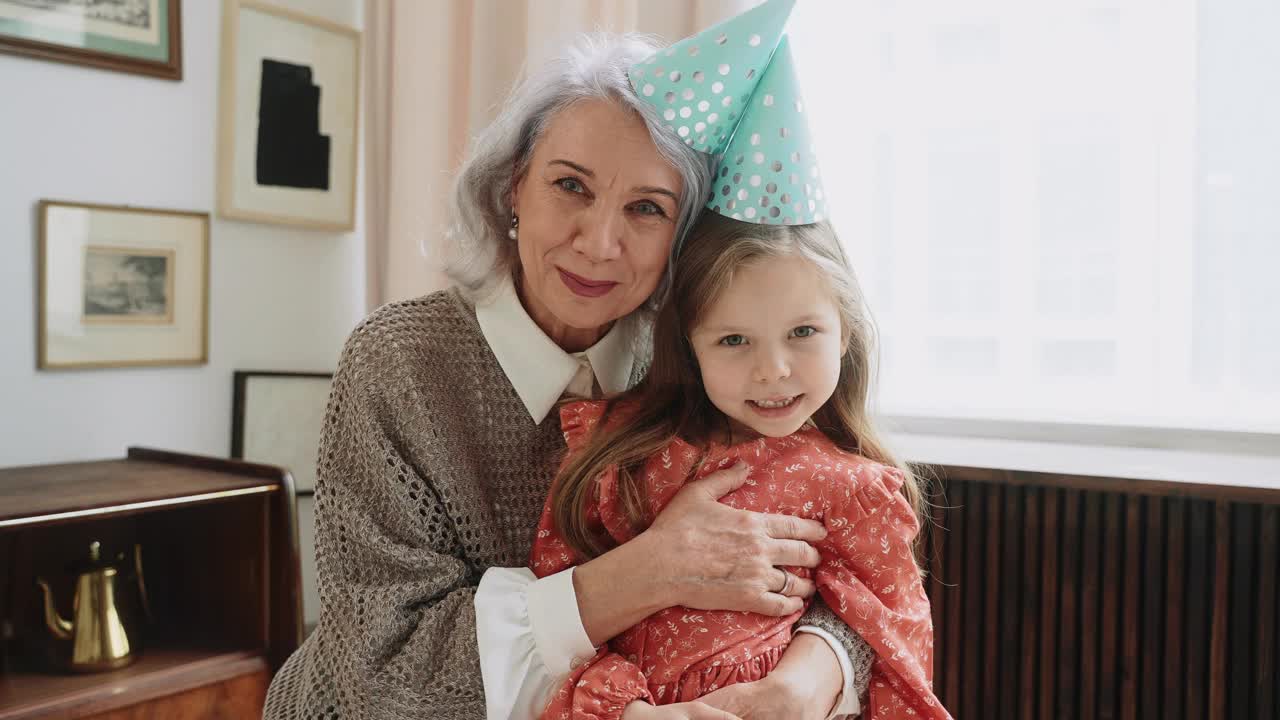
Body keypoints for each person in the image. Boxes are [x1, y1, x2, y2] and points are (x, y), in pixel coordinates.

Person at [262, 19, 874, 720]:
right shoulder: (396, 365)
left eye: (647, 208)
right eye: (571, 187)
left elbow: (846, 562)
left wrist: (810, 673)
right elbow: (384, 671)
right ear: (515, 188)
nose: (600, 243)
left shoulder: (710, 357)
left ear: (683, 236)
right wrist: (648, 573)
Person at [534, 211, 949, 720]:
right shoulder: (618, 463)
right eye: (734, 340)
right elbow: (552, 633)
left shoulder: (855, 490)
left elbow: (893, 645)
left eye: (802, 331)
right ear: (691, 347)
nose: (772, 369)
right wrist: (629, 712)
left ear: (844, 332)